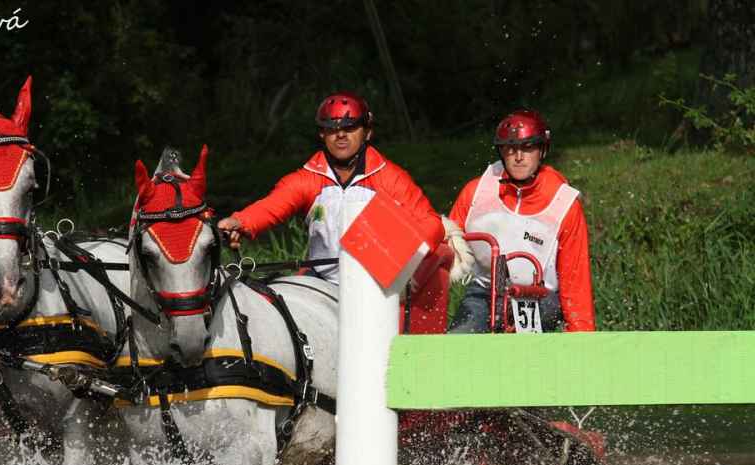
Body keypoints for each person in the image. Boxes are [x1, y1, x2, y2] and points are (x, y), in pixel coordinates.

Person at [217, 92, 466, 294]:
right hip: (319, 281)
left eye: (350, 127)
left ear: (367, 132)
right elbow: (272, 205)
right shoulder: (307, 178)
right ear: (322, 134)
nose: (341, 135)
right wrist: (240, 222)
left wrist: (393, 259)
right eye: (332, 128)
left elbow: (432, 224)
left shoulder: (390, 177)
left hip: (376, 286)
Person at [446, 109, 596, 332]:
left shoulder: (565, 204)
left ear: (542, 150)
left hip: (539, 298)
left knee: (519, 348)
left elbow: (576, 281)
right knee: (458, 342)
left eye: (528, 148)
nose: (518, 157)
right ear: (501, 152)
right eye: (510, 149)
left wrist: (583, 340)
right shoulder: (476, 191)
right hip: (484, 294)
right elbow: (444, 250)